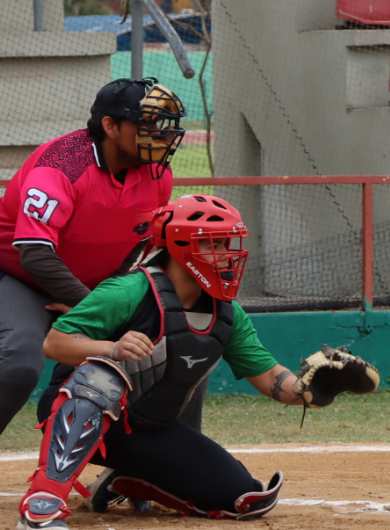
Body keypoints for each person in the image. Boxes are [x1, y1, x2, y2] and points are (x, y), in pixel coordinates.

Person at [18, 195, 299, 530]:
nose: (227, 254)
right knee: (100, 377)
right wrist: (111, 347)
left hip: (149, 427)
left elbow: (270, 378)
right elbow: (54, 343)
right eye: (215, 244)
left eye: (229, 244)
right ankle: (43, 504)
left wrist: (314, 388)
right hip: (79, 413)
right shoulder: (128, 290)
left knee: (241, 497)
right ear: (180, 246)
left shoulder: (226, 311)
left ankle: (128, 480)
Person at [0, 79, 185, 437]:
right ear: (111, 126)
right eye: (148, 125)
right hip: (19, 277)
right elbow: (35, 253)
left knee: (175, 348)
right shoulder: (62, 163)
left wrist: (103, 300)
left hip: (87, 288)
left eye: (165, 126)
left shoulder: (157, 173)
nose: (161, 136)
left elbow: (137, 240)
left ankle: (150, 472)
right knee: (20, 361)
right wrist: (93, 306)